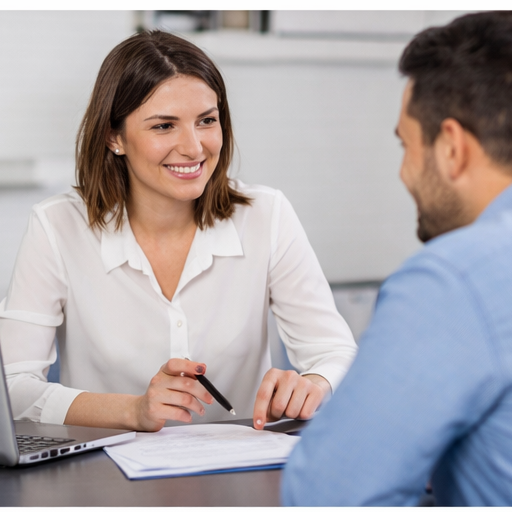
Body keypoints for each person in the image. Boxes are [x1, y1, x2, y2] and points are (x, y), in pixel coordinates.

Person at [0, 31, 356, 432]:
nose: (194, 147)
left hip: (242, 463)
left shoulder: (266, 215)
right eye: (164, 126)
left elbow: (334, 350)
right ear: (114, 137)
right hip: (103, 468)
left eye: (206, 121)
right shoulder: (57, 226)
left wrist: (312, 384)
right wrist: (134, 411)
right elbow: (13, 386)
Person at [281, 11, 512, 507]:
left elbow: (328, 495)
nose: (405, 173)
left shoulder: (455, 279)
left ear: (451, 148)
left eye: (407, 145)